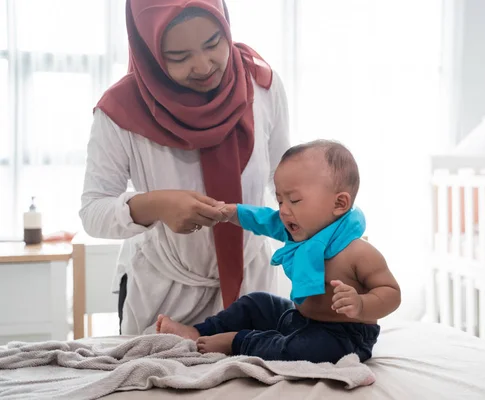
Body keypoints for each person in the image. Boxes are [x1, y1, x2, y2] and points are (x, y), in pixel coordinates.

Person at [79, 0, 290, 335]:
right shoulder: (120, 110)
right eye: (179, 57)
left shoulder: (262, 86)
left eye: (213, 43)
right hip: (165, 300)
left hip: (252, 287)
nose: (204, 66)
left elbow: (285, 181)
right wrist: (156, 205)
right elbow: (93, 211)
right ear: (149, 50)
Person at [156, 140, 401, 364]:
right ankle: (199, 331)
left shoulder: (358, 252)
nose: (283, 210)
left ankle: (238, 342)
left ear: (339, 204)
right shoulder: (298, 229)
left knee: (304, 350)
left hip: (344, 336)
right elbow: (263, 219)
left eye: (294, 200)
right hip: (300, 319)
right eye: (280, 200)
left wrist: (360, 304)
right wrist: (233, 212)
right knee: (257, 302)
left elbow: (391, 293)